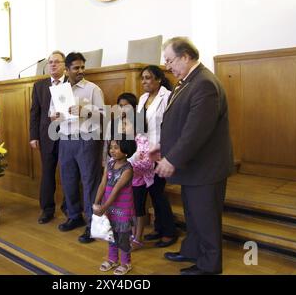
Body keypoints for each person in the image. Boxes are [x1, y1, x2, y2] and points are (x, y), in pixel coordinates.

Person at [152, 37, 234, 275]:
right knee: (193, 214)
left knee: (206, 217)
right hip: (193, 167)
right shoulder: (188, 82)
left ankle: (210, 264)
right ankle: (191, 250)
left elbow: (196, 131)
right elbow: (179, 123)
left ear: (186, 56)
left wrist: (172, 159)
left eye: (170, 60)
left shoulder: (204, 83)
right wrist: (162, 149)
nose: (167, 66)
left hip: (206, 167)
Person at [51, 52, 105, 243]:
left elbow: (104, 115)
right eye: (76, 68)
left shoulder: (93, 89)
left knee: (90, 182)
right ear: (67, 70)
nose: (81, 71)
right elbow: (53, 114)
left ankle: (93, 225)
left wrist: (84, 111)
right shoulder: (59, 90)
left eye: (83, 67)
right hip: (66, 139)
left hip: (87, 140)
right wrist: (54, 115)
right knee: (68, 180)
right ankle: (74, 216)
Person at [132, 65, 177, 249]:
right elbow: (139, 126)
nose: (144, 81)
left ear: (158, 79)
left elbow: (171, 126)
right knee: (151, 193)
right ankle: (159, 228)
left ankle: (169, 232)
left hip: (159, 152)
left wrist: (161, 149)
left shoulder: (167, 97)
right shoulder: (142, 98)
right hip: (143, 152)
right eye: (142, 78)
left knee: (158, 193)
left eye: (148, 78)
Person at [30, 51, 68, 224]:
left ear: (64, 65)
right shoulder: (39, 86)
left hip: (68, 134)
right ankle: (47, 209)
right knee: (47, 173)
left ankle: (69, 208)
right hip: (46, 136)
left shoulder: (72, 83)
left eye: (57, 62)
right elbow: (35, 113)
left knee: (69, 173)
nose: (53, 65)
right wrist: (33, 136)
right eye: (50, 62)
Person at [93, 138, 137, 275]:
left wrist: (103, 207)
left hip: (123, 209)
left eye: (116, 147)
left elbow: (116, 190)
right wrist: (96, 203)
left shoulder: (128, 169)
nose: (112, 150)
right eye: (111, 147)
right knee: (111, 233)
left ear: (126, 151)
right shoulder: (109, 165)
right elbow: (102, 184)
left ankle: (126, 263)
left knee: (123, 236)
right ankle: (112, 259)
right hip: (109, 207)